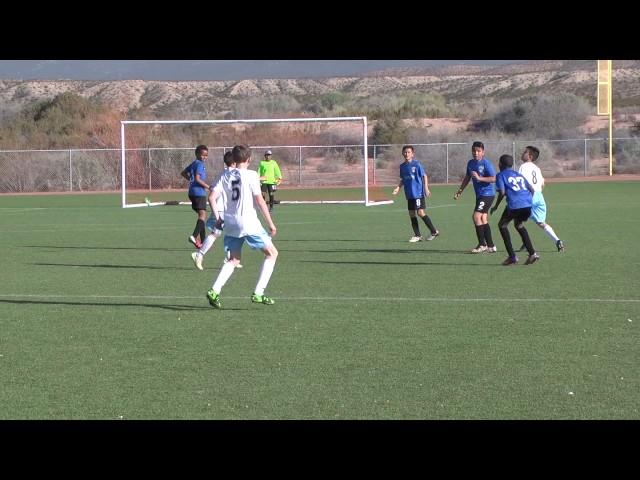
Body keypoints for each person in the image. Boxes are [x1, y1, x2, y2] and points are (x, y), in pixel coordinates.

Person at [206, 144, 278, 309]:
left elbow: (211, 197)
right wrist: (271, 224)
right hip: (248, 222)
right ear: (249, 159)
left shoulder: (224, 174)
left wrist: (218, 218)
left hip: (230, 222)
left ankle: (214, 290)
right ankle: (259, 293)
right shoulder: (252, 175)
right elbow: (260, 201)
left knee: (234, 259)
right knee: (272, 253)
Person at [191, 151, 243, 270]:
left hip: (222, 209)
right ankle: (199, 254)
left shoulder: (222, 174)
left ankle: (230, 257)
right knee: (220, 233)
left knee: (223, 233)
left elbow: (213, 189)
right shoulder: (236, 174)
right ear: (234, 162)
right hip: (222, 210)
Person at [490, 154, 539, 266]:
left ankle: (512, 257)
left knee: (502, 225)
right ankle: (532, 253)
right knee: (519, 225)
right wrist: (527, 201)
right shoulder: (518, 175)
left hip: (515, 205)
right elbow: (531, 189)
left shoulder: (500, 175)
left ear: (500, 164)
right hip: (527, 205)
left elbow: (502, 192)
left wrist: (496, 206)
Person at [517, 145, 565, 252]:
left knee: (517, 220)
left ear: (530, 156)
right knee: (542, 223)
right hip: (539, 196)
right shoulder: (537, 168)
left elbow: (520, 181)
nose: (522, 153)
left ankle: (526, 242)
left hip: (529, 196)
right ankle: (557, 241)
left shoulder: (523, 167)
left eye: (525, 152)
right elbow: (543, 183)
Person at [453, 141, 498, 253]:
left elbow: (494, 178)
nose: (476, 153)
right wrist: (460, 191)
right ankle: (491, 246)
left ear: (483, 152)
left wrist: (480, 178)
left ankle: (482, 244)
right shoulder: (470, 163)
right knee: (483, 218)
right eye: (474, 151)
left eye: (478, 151)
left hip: (487, 194)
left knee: (476, 216)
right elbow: (467, 178)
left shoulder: (486, 163)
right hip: (479, 195)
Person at [392, 145, 439, 242]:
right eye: (405, 152)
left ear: (412, 154)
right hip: (409, 194)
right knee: (411, 214)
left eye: (409, 152)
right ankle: (418, 235)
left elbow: (424, 176)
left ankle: (433, 231)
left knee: (420, 212)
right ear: (402, 153)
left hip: (418, 193)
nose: (406, 154)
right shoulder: (402, 166)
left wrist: (426, 188)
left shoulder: (417, 165)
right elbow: (403, 179)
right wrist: (397, 188)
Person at [181, 144, 210, 249]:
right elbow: (197, 179)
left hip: (191, 192)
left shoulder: (194, 163)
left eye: (206, 155)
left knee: (201, 217)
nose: (205, 157)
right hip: (199, 193)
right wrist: (208, 187)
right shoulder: (200, 165)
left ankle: (203, 242)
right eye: (203, 155)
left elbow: (183, 173)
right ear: (197, 154)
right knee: (203, 216)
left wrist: (191, 180)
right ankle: (194, 236)